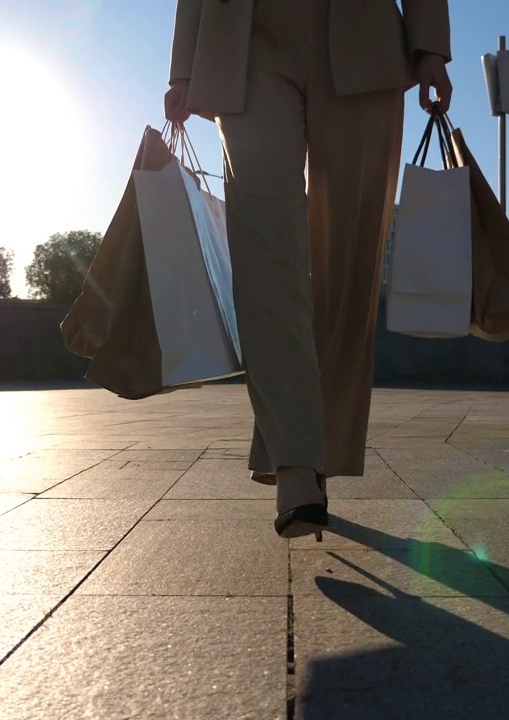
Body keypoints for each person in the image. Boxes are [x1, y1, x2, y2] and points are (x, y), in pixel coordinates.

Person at [164, 0, 452, 539]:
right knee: (265, 255)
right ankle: (297, 465)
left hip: (362, 36)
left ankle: (318, 448)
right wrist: (184, 68)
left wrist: (431, 43)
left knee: (348, 265)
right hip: (245, 42)